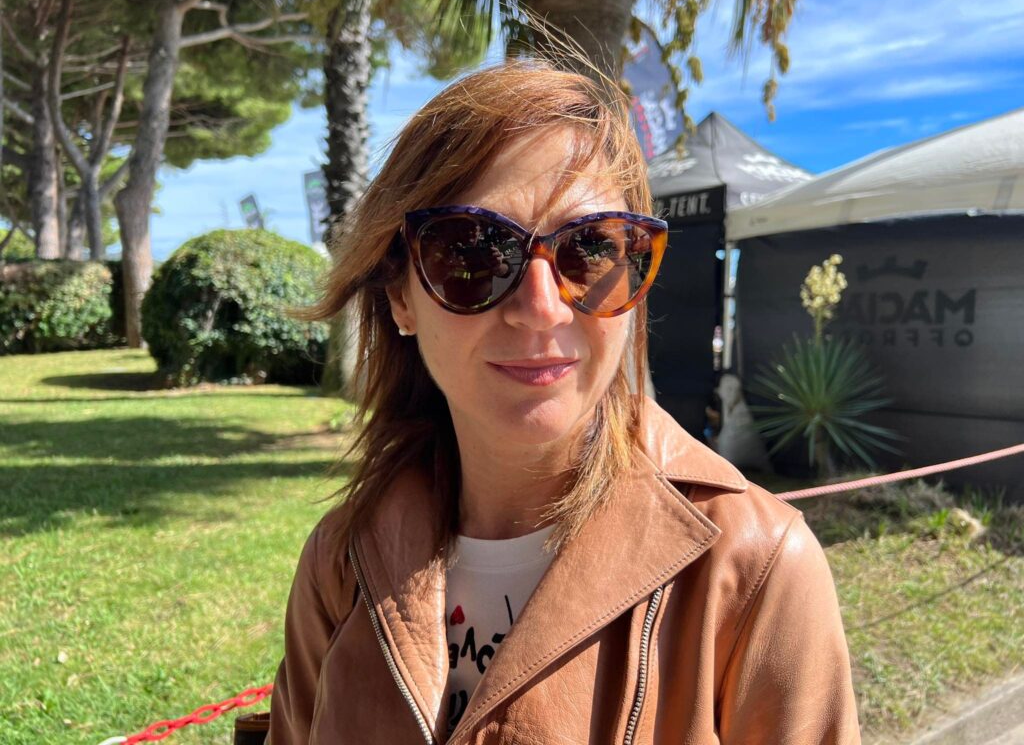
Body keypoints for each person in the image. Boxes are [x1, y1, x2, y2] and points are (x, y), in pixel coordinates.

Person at [268, 57, 861, 745]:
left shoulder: (755, 567)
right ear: (400, 294)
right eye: (473, 252)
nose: (541, 308)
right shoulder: (342, 559)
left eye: (590, 250)